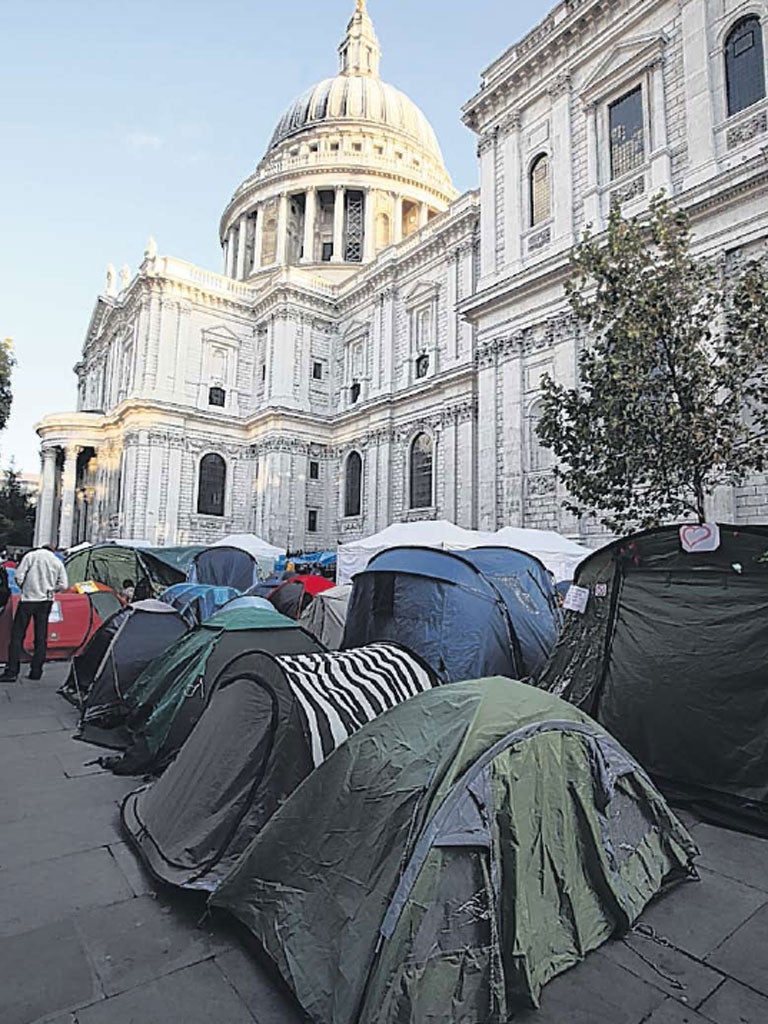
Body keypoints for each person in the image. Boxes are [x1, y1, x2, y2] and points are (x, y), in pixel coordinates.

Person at [0, 544, 68, 682]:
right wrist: (51, 589)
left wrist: (25, 588)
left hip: (28, 599)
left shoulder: (30, 556)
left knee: (17, 635)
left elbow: (18, 576)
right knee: (41, 636)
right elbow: (64, 585)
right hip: (46, 600)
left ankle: (12, 671)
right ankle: (36, 671)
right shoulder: (56, 561)